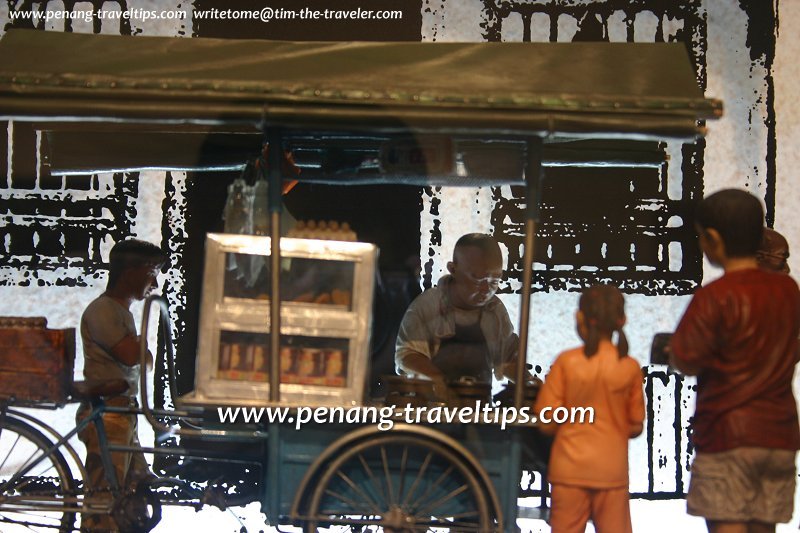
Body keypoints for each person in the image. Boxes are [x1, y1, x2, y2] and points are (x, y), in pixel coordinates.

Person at [670, 189, 800, 533]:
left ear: (712, 239)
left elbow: (685, 358)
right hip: (780, 436)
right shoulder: (789, 292)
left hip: (728, 435)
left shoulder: (715, 296)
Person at [534, 284, 644, 533]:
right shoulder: (629, 367)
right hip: (611, 471)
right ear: (622, 320)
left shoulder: (567, 362)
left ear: (579, 317)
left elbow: (546, 421)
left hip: (568, 471)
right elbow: (636, 426)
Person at [76, 238, 166, 531]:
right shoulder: (103, 311)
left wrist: (143, 351)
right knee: (105, 497)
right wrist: (143, 350)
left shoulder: (120, 312)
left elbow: (142, 359)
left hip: (122, 413)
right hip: (107, 413)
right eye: (151, 271)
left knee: (134, 488)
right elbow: (133, 357)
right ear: (130, 272)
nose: (154, 282)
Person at [394, 233, 523, 395]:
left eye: (494, 281)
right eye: (477, 279)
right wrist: (438, 380)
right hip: (430, 409)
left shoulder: (495, 310)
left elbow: (508, 359)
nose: (486, 289)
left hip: (478, 407)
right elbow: (407, 356)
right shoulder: (427, 305)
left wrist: (528, 382)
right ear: (453, 269)